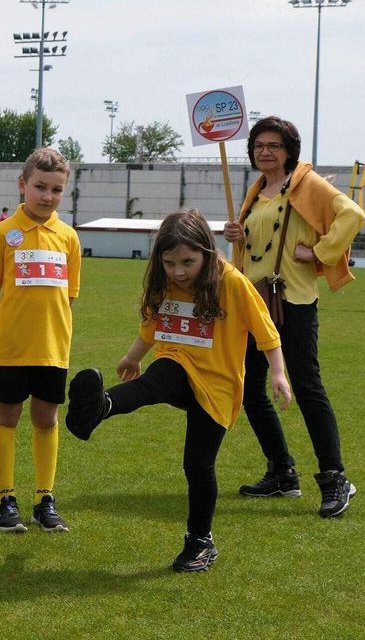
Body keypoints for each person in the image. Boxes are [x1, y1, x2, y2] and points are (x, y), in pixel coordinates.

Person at [66, 209, 292, 572]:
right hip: (178, 363)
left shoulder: (231, 283)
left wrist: (278, 374)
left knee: (198, 465)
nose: (179, 271)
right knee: (158, 378)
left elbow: (267, 334)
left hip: (217, 386)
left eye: (188, 261)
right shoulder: (164, 284)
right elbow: (152, 327)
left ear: (206, 250)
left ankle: (200, 542)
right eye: (170, 262)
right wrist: (131, 356)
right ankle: (100, 407)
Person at [223, 116, 364, 517]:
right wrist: (239, 236)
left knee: (306, 387)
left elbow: (353, 214)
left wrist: (320, 253)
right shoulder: (257, 191)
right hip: (254, 302)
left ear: (289, 151)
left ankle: (335, 477)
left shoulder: (304, 184)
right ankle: (283, 471)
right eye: (259, 145)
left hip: (293, 302)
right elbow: (260, 247)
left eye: (274, 145)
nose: (265, 151)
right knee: (249, 389)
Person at [0, 148, 81, 534]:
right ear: (23, 185)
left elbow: (68, 295)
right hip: (12, 348)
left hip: (53, 347)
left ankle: (44, 499)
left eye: (56, 190)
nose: (47, 196)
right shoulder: (3, 235)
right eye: (39, 187)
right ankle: (5, 498)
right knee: (7, 415)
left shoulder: (69, 238)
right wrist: (6, 331)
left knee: (46, 417)